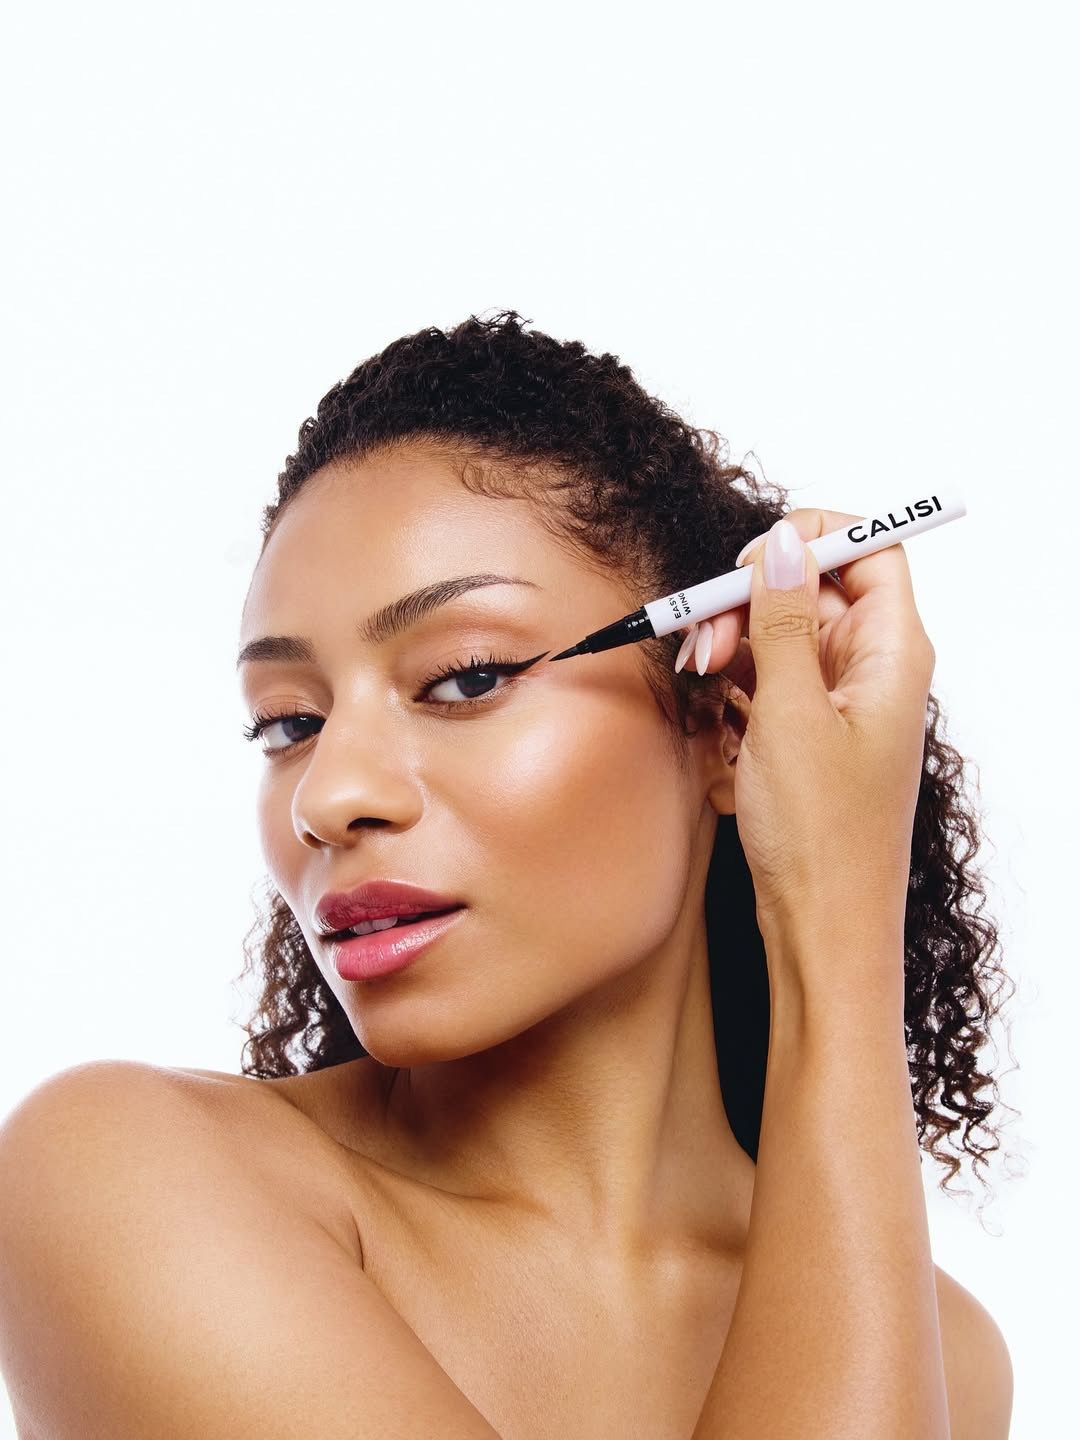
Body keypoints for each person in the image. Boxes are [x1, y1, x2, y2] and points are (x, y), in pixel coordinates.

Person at [0, 311, 1015, 1438]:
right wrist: (836, 933)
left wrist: (834, 902)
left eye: (467, 678)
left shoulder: (944, 1358)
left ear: (730, 727)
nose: (326, 797)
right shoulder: (125, 1181)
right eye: (289, 722)